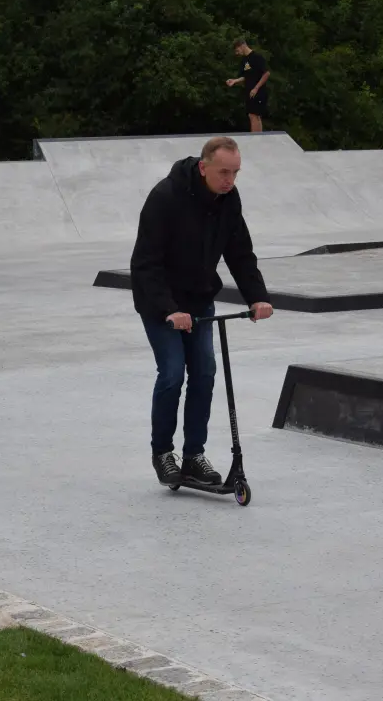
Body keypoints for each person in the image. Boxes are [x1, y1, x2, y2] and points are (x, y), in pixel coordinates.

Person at [130, 136, 274, 487]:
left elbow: (240, 252)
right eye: (223, 172)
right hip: (160, 303)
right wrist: (169, 309)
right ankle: (163, 453)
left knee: (205, 373)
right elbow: (146, 264)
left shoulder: (228, 200)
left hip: (198, 301)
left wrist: (256, 297)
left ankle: (194, 454)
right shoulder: (165, 197)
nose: (230, 180)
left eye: (236, 173)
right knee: (172, 374)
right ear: (203, 167)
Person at [224, 39, 270, 133]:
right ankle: (258, 137)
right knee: (252, 115)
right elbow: (246, 77)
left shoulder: (257, 57)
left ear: (243, 45)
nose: (237, 53)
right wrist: (235, 81)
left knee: (254, 115)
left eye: (237, 50)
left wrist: (256, 88)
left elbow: (266, 73)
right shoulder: (244, 61)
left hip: (258, 91)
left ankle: (256, 138)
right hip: (249, 91)